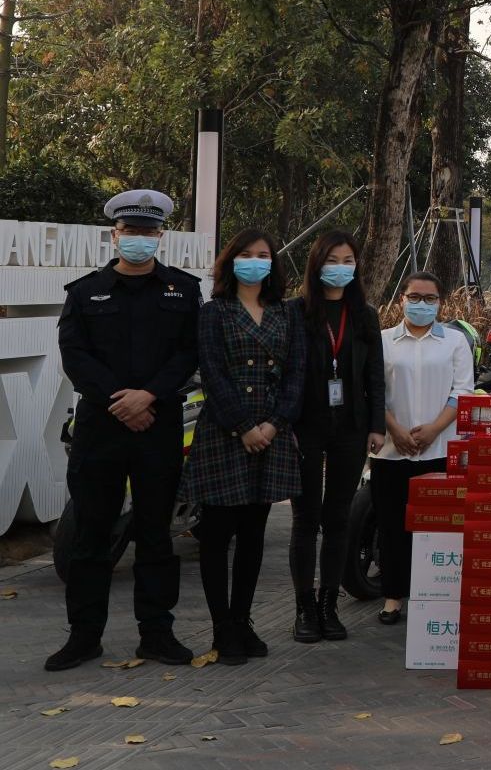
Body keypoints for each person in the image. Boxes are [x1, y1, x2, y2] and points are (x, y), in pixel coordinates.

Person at [48, 191, 202, 671]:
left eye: (148, 232)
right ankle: (83, 637)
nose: (139, 239)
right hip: (102, 425)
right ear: (114, 236)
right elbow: (75, 356)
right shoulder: (84, 292)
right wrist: (123, 401)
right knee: (91, 535)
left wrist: (148, 395)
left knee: (156, 535)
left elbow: (189, 352)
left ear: (161, 236)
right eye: (130, 231)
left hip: (157, 426)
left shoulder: (183, 290)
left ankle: (156, 634)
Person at [181, 228, 307, 665]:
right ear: (230, 261)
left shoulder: (286, 313)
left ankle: (243, 620)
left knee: (254, 534)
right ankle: (222, 628)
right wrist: (244, 426)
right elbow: (212, 373)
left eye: (263, 255)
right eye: (246, 254)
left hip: (272, 434)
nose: (255, 261)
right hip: (225, 433)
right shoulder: (214, 312)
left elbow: (296, 375)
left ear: (273, 263)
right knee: (217, 535)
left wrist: (272, 424)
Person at [289, 231, 385, 643]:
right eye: (332, 260)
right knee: (306, 518)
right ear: (316, 264)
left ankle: (329, 605)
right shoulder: (295, 312)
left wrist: (377, 425)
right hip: (304, 428)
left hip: (351, 428)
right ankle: (304, 608)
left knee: (339, 516)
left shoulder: (364, 314)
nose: (340, 268)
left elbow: (375, 375)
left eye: (348, 261)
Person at [372, 272, 474, 624]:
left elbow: (462, 392)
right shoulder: (383, 341)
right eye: (414, 297)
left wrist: (433, 430)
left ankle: (433, 595)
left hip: (439, 449)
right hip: (391, 449)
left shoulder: (454, 342)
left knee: (437, 529)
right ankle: (393, 597)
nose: (422, 304)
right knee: (391, 526)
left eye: (430, 298)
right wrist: (395, 430)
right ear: (401, 299)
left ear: (440, 303)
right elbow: (373, 391)